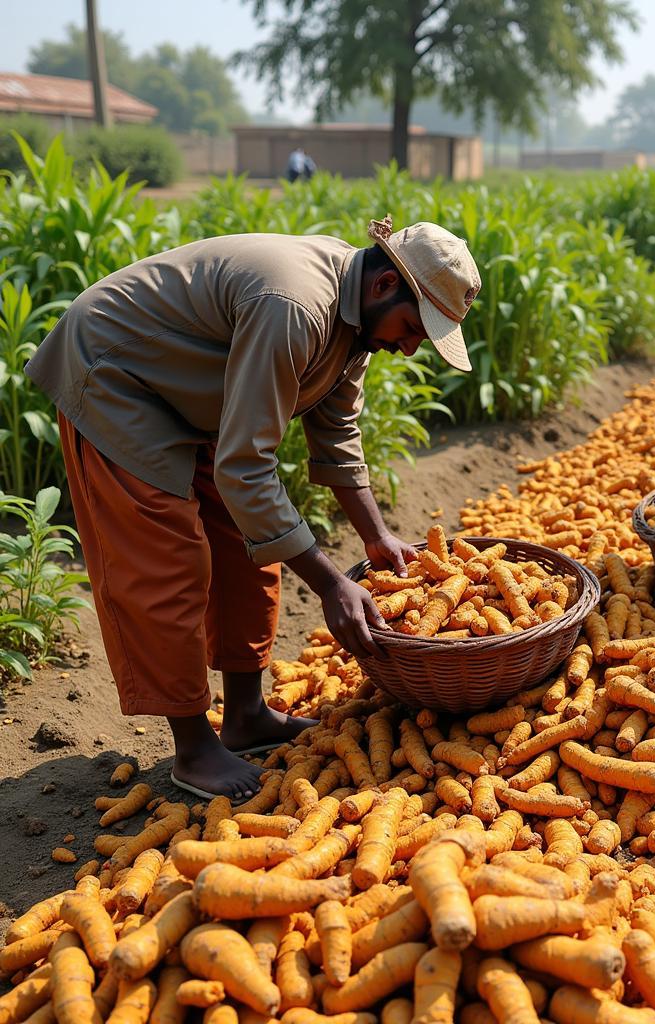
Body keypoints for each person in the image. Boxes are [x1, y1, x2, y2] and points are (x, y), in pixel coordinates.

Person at [26, 215, 481, 799]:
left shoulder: (357, 324)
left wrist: (376, 535)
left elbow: (336, 430)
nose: (411, 346)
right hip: (119, 372)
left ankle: (245, 716)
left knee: (253, 544)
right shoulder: (293, 305)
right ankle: (192, 749)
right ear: (385, 286)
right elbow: (245, 468)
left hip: (196, 388)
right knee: (168, 560)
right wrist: (329, 583)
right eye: (415, 328)